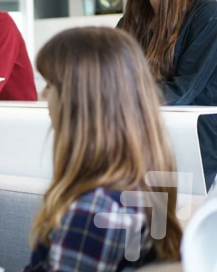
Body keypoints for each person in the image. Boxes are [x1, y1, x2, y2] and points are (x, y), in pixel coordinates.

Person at [25, 27, 182, 271]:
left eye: (50, 85)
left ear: (78, 99)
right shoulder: (152, 184)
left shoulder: (94, 211)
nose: (43, 94)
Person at [118, 0, 217, 189]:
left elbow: (182, 91)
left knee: (164, 227)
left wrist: (118, 96)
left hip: (193, 146)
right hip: (142, 140)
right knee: (139, 225)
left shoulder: (208, 15)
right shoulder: (130, 22)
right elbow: (110, 75)